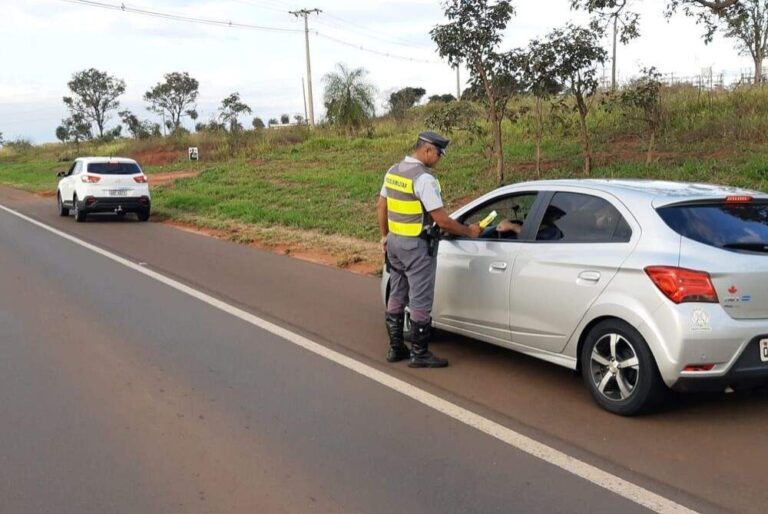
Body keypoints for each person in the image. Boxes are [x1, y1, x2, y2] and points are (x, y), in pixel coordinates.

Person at [377, 131, 482, 368]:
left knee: (397, 294)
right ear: (427, 150)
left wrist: (384, 235)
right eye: (439, 154)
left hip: (394, 243)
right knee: (420, 300)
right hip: (416, 246)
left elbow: (381, 205)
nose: (439, 160)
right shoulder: (423, 179)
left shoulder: (393, 171)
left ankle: (395, 348)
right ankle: (420, 353)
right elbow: (442, 220)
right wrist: (468, 231)